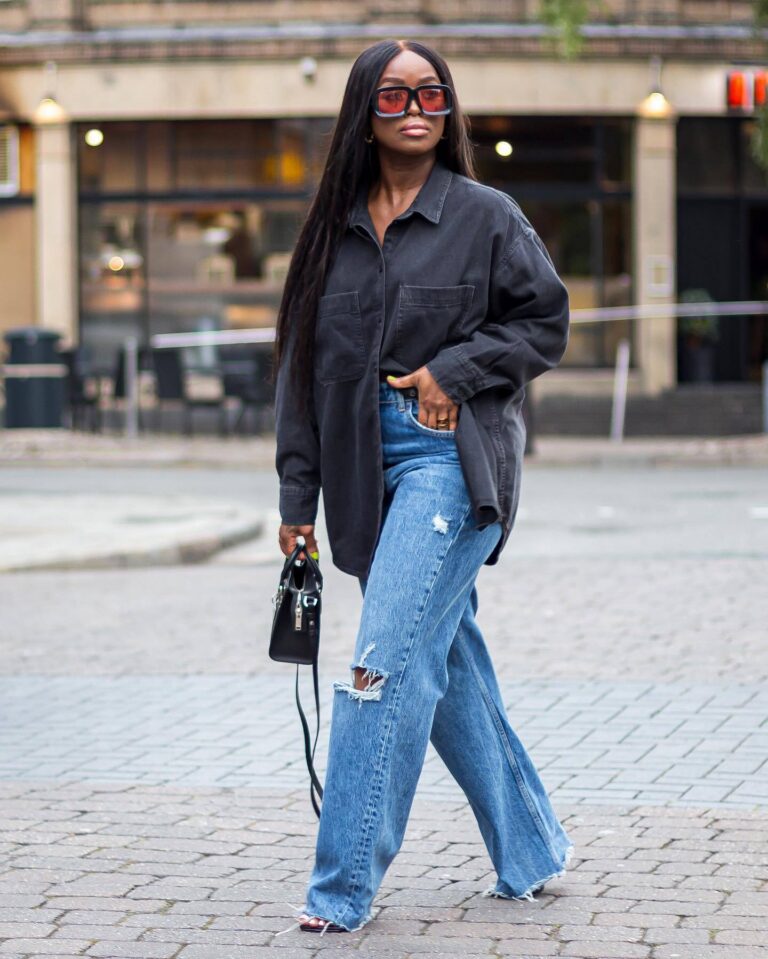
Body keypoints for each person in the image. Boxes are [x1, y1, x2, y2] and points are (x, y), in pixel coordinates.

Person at [272, 37, 574, 935]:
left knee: (380, 666)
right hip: (361, 474)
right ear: (363, 112)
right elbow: (301, 375)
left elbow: (545, 321)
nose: (415, 108)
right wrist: (298, 503)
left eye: (431, 93)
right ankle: (532, 848)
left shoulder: (485, 215)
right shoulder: (330, 232)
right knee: (448, 668)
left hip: (452, 461)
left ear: (450, 109)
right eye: (395, 94)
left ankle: (341, 888)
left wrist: (454, 369)